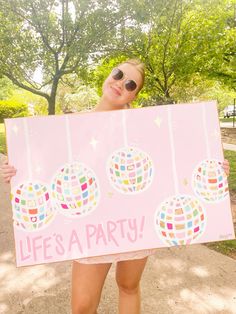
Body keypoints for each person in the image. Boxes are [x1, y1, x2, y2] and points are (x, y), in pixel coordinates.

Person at [1, 59, 231, 314]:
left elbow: (173, 163)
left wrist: (213, 169)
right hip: (92, 227)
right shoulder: (68, 125)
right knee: (82, 307)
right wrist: (18, 172)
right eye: (118, 74)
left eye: (130, 84)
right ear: (109, 74)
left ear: (135, 94)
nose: (121, 83)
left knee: (128, 286)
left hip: (132, 224)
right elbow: (47, 167)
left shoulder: (144, 126)